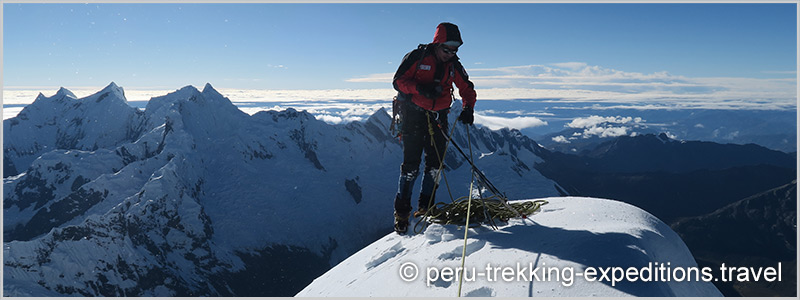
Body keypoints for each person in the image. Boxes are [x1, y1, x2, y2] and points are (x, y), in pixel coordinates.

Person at [391, 22, 477, 234]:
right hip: (412, 115)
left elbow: (467, 88)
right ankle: (402, 214)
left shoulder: (454, 64)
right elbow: (398, 81)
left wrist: (468, 108)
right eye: (447, 49)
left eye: (455, 50)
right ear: (437, 43)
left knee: (435, 165)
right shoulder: (417, 57)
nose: (451, 53)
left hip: (439, 117)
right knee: (410, 167)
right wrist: (419, 88)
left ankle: (425, 209)